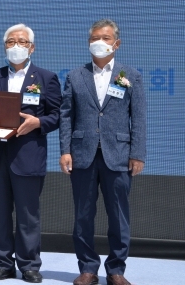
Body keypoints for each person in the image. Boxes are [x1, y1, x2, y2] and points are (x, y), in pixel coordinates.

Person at [59, 19, 146, 285]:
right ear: (88, 43)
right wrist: (65, 150)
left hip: (118, 155)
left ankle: (116, 270)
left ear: (116, 43)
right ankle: (88, 268)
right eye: (95, 38)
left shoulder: (130, 75)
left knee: (118, 216)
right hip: (82, 154)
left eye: (105, 38)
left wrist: (137, 153)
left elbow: (138, 118)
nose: (100, 42)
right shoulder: (75, 76)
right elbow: (66, 116)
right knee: (83, 215)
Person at [0, 23, 61, 283]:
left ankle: (29, 265)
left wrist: (38, 122)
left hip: (28, 155)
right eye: (11, 42)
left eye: (22, 42)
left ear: (32, 47)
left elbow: (57, 115)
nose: (16, 46)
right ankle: (3, 263)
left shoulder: (46, 78)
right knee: (0, 214)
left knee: (28, 215)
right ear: (4, 47)